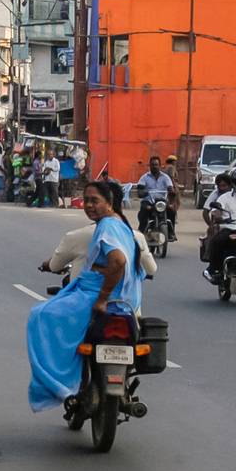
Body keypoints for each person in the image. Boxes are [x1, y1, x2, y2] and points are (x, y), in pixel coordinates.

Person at [25, 180, 143, 411]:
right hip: (124, 300)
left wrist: (101, 298)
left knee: (39, 315)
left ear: (109, 203)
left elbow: (118, 261)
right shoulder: (120, 223)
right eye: (86, 200)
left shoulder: (108, 225)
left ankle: (58, 385)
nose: (89, 205)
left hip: (100, 296)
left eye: (95, 201)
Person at [133, 156, 177, 237]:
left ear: (160, 165)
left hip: (161, 201)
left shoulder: (165, 177)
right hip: (149, 201)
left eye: (156, 164)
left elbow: (170, 188)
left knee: (171, 211)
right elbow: (140, 191)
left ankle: (171, 232)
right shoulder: (144, 177)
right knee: (144, 210)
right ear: (149, 166)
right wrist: (143, 192)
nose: (154, 166)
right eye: (152, 164)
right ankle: (141, 232)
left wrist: (171, 192)